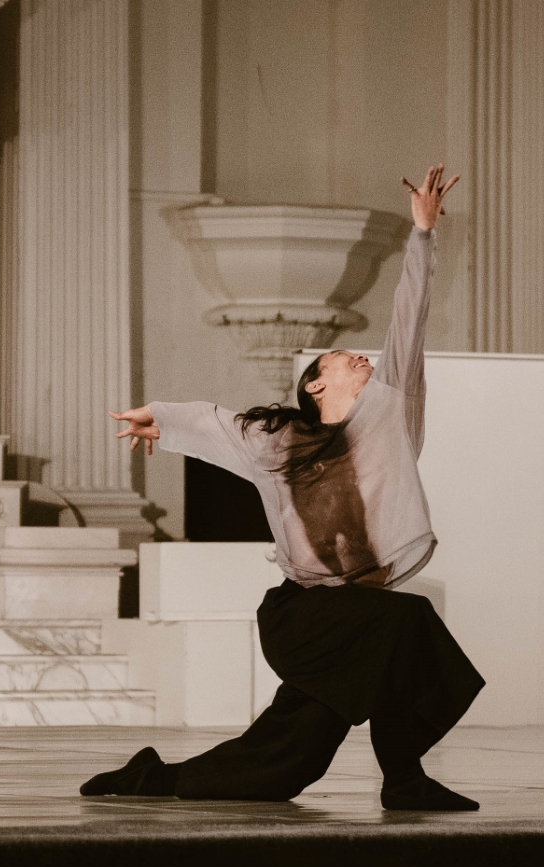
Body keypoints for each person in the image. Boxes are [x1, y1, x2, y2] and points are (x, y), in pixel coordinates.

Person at [82, 165, 485, 810]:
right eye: (341, 358)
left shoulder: (387, 415)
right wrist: (156, 415)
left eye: (362, 356)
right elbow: (212, 423)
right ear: (315, 385)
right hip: (308, 616)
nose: (362, 358)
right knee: (407, 622)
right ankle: (405, 781)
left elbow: (409, 322)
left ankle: (152, 777)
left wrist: (423, 235)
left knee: (282, 767)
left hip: (352, 616)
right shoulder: (279, 443)